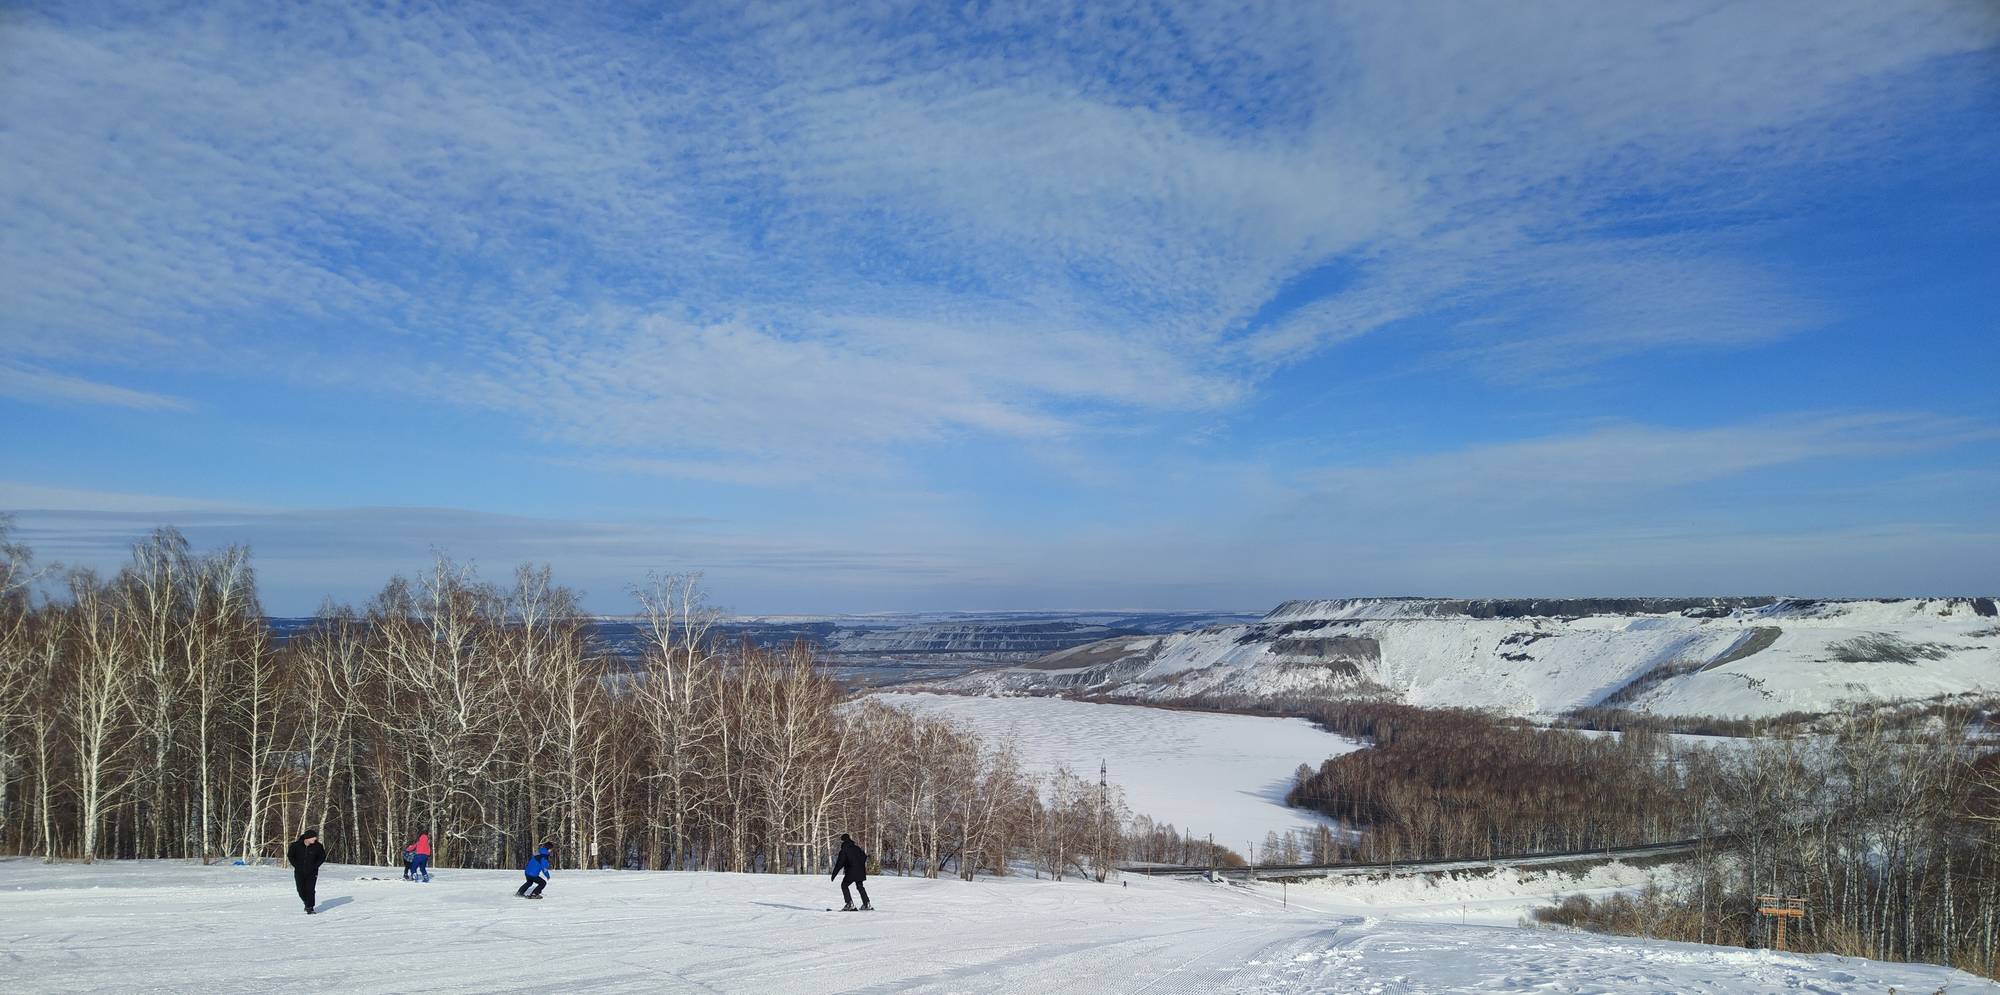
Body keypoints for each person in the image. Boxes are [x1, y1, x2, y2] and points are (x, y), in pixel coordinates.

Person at [287, 829, 327, 914]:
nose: (315, 839)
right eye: (313, 837)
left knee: (310, 889)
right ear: (307, 838)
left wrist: (315, 866)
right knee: (300, 890)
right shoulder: (296, 845)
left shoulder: (318, 846)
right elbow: (290, 855)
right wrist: (296, 865)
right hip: (299, 871)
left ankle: (310, 907)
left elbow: (322, 857)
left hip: (312, 872)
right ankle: (306, 902)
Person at [831, 833, 871, 911]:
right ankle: (867, 904)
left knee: (844, 885)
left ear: (843, 841)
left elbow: (839, 863)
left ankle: (849, 904)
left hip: (851, 871)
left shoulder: (844, 850)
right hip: (860, 871)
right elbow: (864, 857)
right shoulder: (857, 848)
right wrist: (859, 865)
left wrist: (834, 874)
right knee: (860, 886)